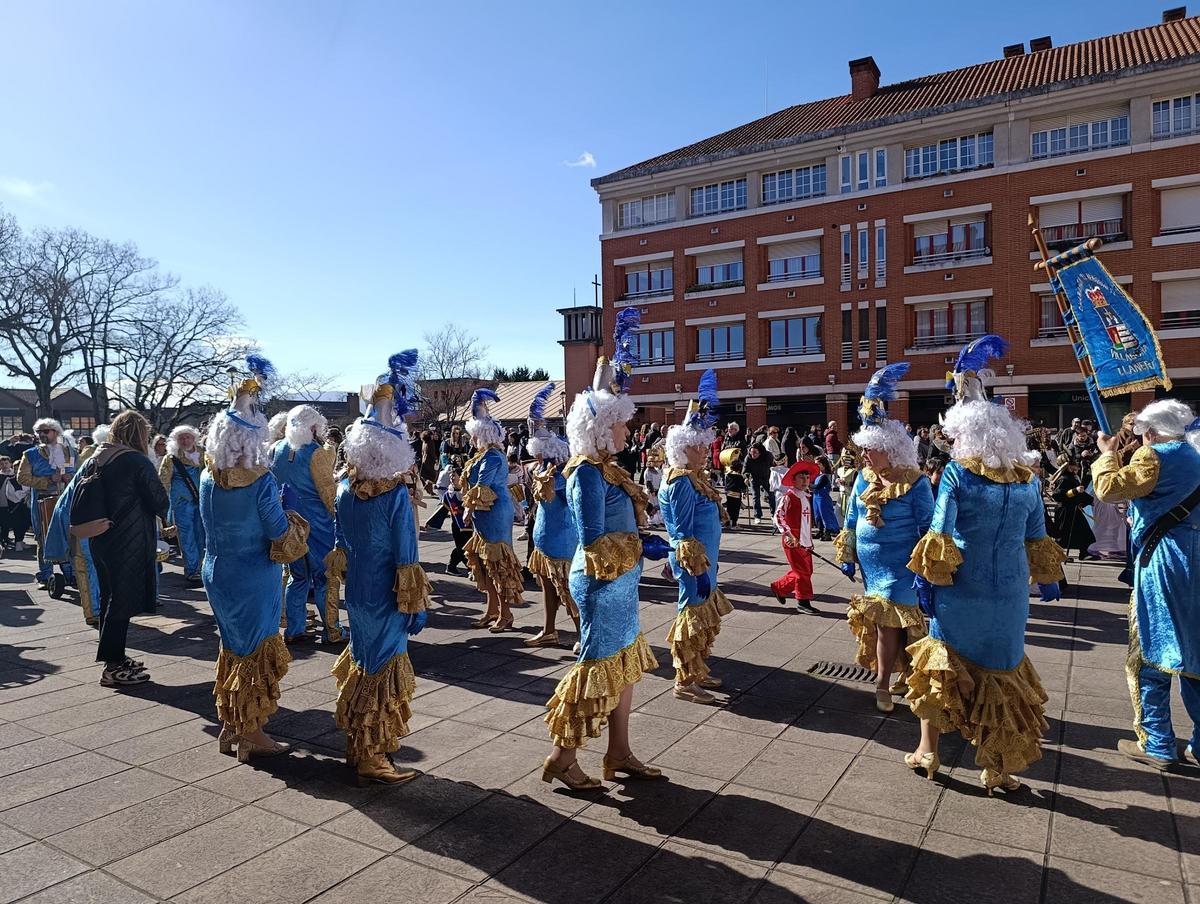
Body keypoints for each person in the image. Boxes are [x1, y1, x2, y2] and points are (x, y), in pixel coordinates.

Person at [905, 336, 1064, 794]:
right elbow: (1038, 537)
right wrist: (1048, 580)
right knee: (1003, 672)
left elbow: (939, 532)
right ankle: (1000, 768)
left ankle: (929, 750)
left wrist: (927, 581)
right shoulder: (1027, 480)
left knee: (941, 665)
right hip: (1011, 592)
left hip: (962, 587)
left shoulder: (957, 473)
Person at [542, 308, 662, 790]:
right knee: (596, 665)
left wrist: (644, 539)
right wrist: (641, 541)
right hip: (600, 578)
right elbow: (591, 537)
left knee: (624, 663)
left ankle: (619, 751)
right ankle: (562, 756)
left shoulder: (608, 468)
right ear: (601, 427)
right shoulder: (586, 472)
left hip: (621, 578)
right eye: (622, 425)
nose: (629, 432)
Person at [327, 351, 431, 785]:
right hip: (387, 591)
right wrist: (415, 604)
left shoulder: (345, 490)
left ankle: (361, 747)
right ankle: (372, 756)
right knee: (384, 667)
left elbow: (340, 547)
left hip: (360, 591)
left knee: (366, 662)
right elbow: (407, 556)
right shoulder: (393, 497)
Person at [201, 356, 308, 759]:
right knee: (257, 651)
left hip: (217, 571)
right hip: (254, 575)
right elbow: (280, 534)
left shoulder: (207, 476)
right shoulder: (261, 482)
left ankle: (232, 724)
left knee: (233, 647)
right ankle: (252, 730)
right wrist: (295, 520)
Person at [1091, 400, 1200, 769]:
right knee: (1195, 653)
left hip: (1166, 561)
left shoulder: (1153, 457)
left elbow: (1108, 488)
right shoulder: (1195, 453)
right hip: (1195, 556)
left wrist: (1107, 454)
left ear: (1151, 433)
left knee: (1150, 651)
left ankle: (1157, 741)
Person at [835, 363, 934, 714]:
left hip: (903, 567)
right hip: (871, 566)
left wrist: (928, 571)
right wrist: (848, 552)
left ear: (889, 450)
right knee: (892, 622)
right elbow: (851, 515)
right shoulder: (864, 476)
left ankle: (883, 684)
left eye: (869, 449)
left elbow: (928, 527)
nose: (864, 455)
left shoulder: (916, 482)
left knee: (891, 624)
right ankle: (904, 675)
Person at [661, 369, 733, 705]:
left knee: (702, 615)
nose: (707, 452)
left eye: (707, 446)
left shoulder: (695, 477)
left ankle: (698, 668)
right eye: (699, 447)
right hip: (695, 564)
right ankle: (684, 680)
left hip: (706, 562)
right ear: (683, 447)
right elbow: (682, 532)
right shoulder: (680, 482)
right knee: (690, 616)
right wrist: (698, 570)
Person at [86, 410, 171, 687]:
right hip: (128, 537)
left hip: (100, 536)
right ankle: (113, 666)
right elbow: (159, 501)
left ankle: (116, 657)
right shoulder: (136, 460)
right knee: (120, 601)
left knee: (110, 598)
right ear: (140, 434)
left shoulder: (97, 457)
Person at [271, 404, 345, 644]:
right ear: (313, 426)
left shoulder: (276, 449)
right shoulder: (317, 453)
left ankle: (294, 628)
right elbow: (328, 493)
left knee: (296, 576)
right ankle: (332, 629)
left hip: (288, 522)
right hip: (316, 524)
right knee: (325, 577)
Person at [524, 382, 581, 650]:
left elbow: (557, 493)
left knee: (568, 589)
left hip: (561, 540)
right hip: (544, 538)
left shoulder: (559, 474)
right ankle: (549, 629)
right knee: (546, 585)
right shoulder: (542, 469)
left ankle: (583, 633)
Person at [462, 387, 523, 630]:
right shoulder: (482, 455)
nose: (471, 439)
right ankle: (491, 609)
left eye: (473, 435)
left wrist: (467, 509)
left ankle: (505, 614)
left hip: (494, 513)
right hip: (484, 515)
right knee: (486, 563)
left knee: (497, 564)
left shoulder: (492, 457)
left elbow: (482, 484)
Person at [17, 418, 77, 590]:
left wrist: (68, 478)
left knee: (68, 535)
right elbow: (22, 478)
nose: (42, 435)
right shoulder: (30, 454)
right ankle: (45, 575)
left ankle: (70, 573)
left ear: (56, 432)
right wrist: (48, 479)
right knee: (43, 537)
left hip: (66, 499)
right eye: (39, 432)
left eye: (46, 431)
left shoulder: (69, 452)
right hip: (42, 501)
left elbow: (77, 473)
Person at [158, 425, 205, 584]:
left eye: (188, 437)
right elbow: (163, 482)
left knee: (202, 536)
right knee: (186, 537)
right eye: (181, 438)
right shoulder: (171, 458)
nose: (185, 440)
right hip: (181, 504)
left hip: (202, 502)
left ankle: (202, 568)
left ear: (194, 438)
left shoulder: (204, 455)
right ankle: (192, 570)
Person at [771, 460, 820, 614]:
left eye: (807, 478)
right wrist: (788, 533)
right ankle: (803, 601)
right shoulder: (789, 496)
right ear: (793, 480)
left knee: (807, 571)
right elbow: (779, 516)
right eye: (801, 478)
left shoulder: (806, 496)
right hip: (792, 540)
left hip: (805, 540)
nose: (805, 480)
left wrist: (809, 540)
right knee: (802, 573)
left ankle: (780, 587)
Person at [744, 443, 775, 525]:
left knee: (771, 495)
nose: (753, 454)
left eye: (755, 452)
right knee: (755, 497)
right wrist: (746, 477)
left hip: (766, 477)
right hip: (754, 478)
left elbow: (773, 465)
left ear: (760, 452)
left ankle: (774, 514)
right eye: (751, 452)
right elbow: (745, 469)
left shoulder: (768, 456)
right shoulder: (748, 458)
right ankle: (757, 516)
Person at [724, 459, 746, 529]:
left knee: (729, 509)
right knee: (735, 511)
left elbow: (726, 485)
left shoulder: (728, 475)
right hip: (736, 494)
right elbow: (742, 486)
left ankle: (727, 523)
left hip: (729, 494)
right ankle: (734, 524)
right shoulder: (739, 476)